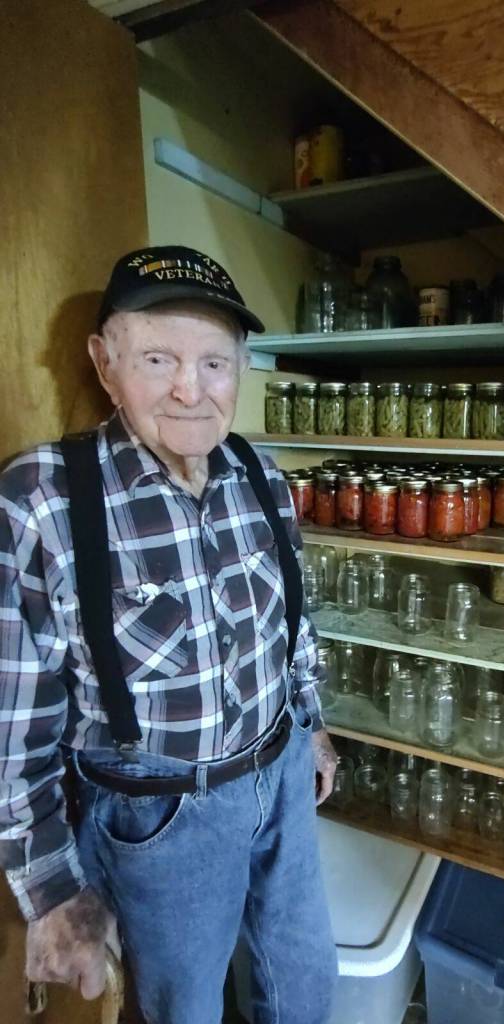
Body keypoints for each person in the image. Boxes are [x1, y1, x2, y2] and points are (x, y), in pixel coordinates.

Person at [0, 246, 339, 1024]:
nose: (191, 388)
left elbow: (291, 623)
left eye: (214, 363)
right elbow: (13, 730)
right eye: (158, 359)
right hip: (162, 819)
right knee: (184, 1010)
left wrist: (312, 725)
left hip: (282, 774)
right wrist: (52, 892)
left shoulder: (261, 474)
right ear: (105, 363)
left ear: (239, 369)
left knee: (306, 983)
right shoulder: (42, 499)